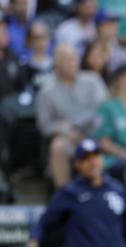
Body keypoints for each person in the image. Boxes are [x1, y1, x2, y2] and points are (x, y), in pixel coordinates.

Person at [36, 43, 107, 188]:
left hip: (98, 135)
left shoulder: (92, 80)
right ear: (56, 64)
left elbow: (104, 110)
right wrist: (65, 130)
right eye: (67, 59)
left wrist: (74, 123)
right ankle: (65, 196)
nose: (73, 62)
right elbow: (44, 125)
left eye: (75, 58)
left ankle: (103, 194)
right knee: (58, 146)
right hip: (70, 139)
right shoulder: (46, 92)